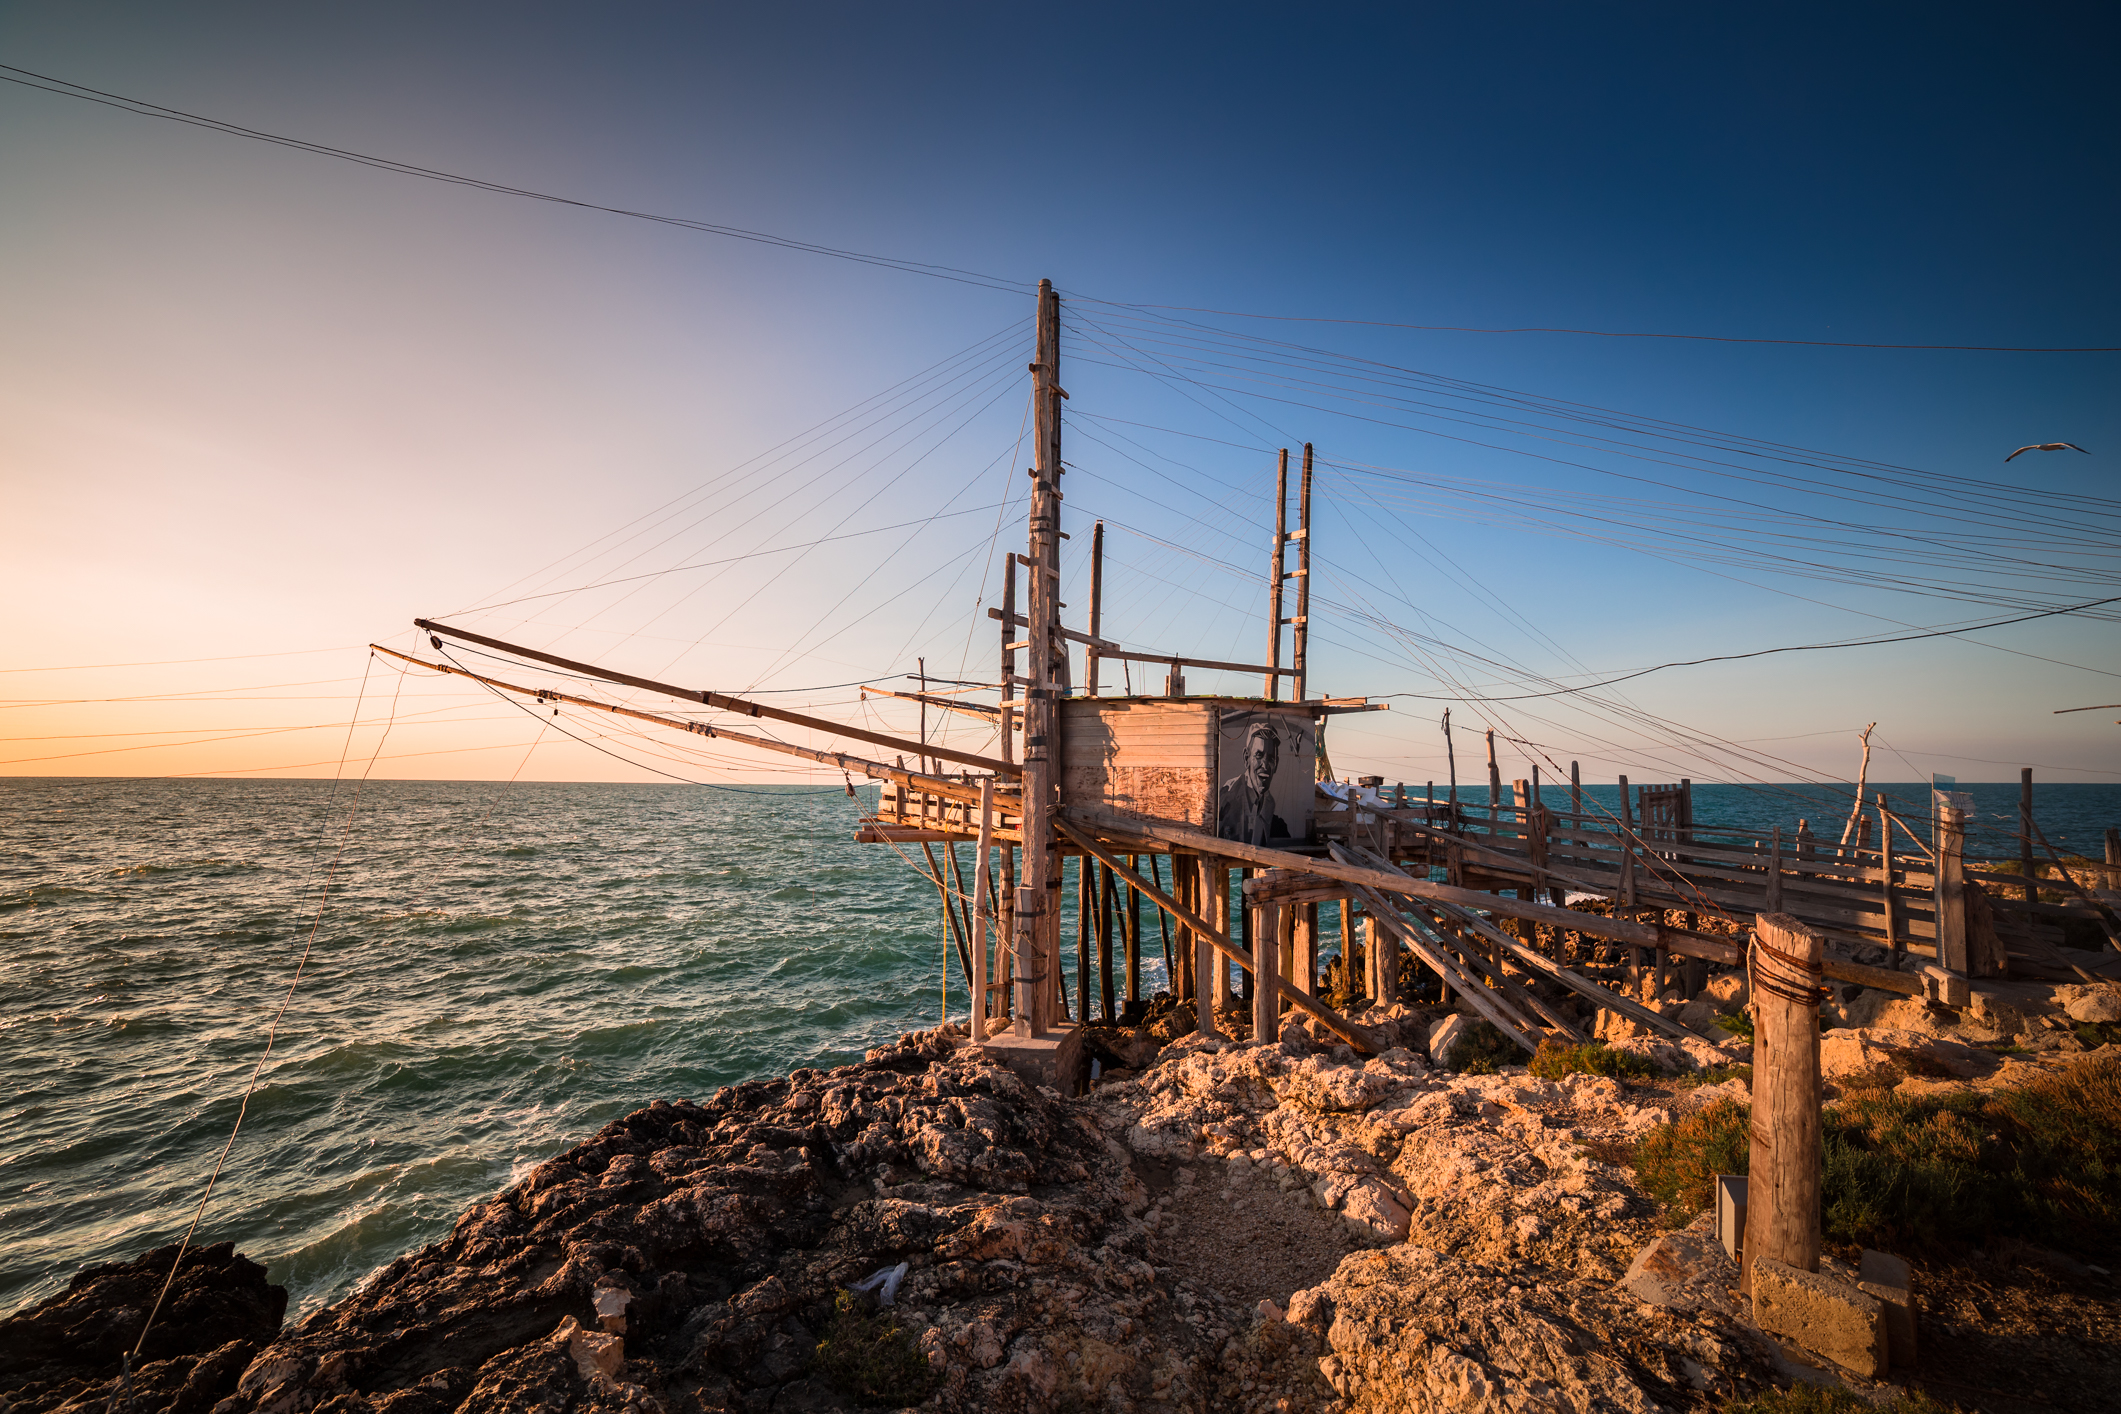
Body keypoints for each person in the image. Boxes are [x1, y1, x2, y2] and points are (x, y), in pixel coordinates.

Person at [1218, 719, 1289, 844]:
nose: (1265, 765)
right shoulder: (1228, 797)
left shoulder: (1271, 810)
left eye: (1271, 758)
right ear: (1246, 758)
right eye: (1259, 755)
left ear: (1276, 764)